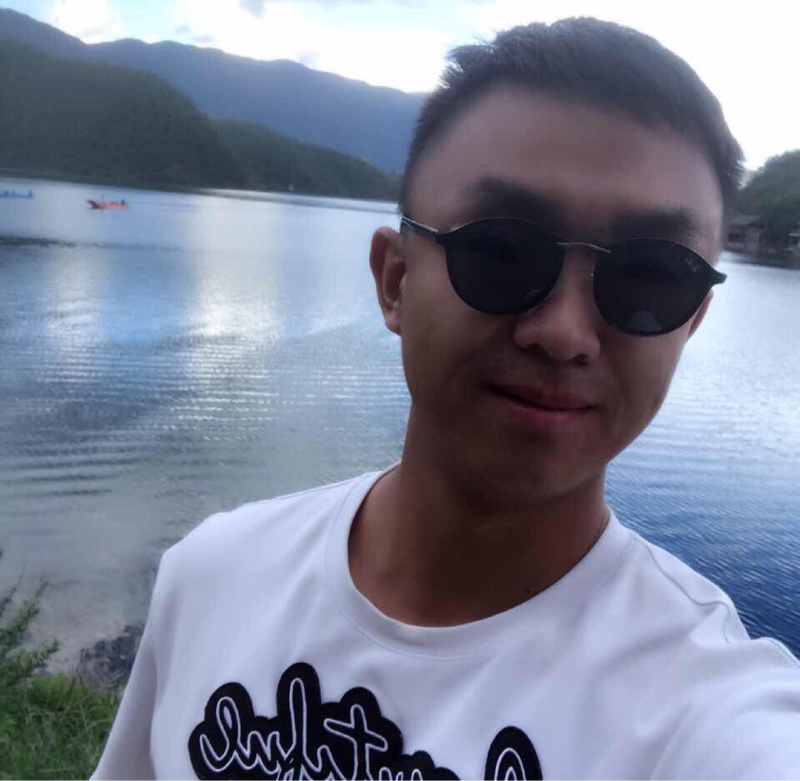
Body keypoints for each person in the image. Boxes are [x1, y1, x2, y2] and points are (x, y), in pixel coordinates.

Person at [92, 17, 800, 780]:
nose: (564, 332)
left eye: (653, 276)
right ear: (395, 280)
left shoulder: (706, 711)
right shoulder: (211, 578)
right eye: (499, 249)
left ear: (692, 319)